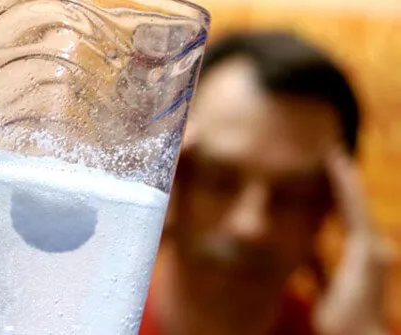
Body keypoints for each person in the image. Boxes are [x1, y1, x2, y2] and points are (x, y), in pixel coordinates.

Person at [139, 31, 399, 335]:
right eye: (219, 181)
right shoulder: (83, 313)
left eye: (294, 195)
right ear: (174, 175)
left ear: (331, 207)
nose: (250, 226)